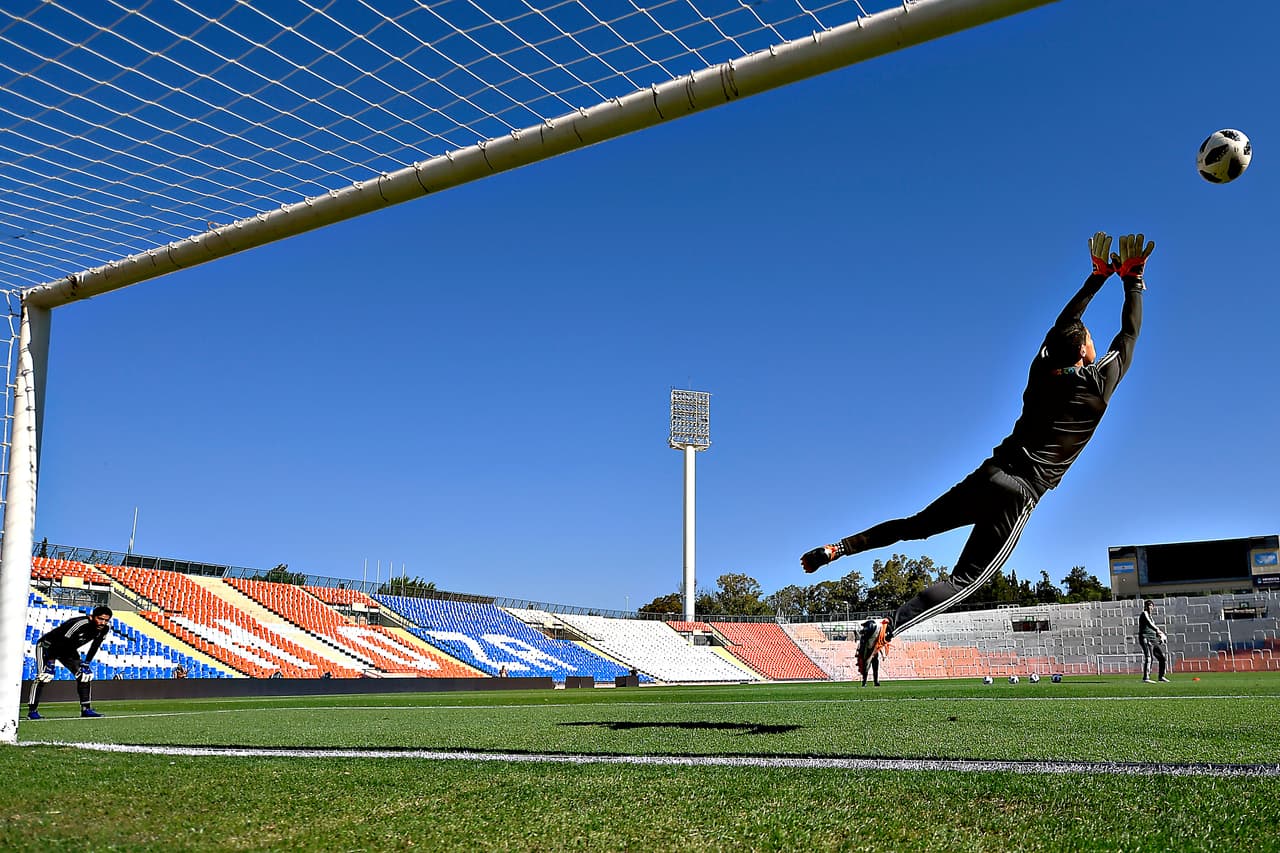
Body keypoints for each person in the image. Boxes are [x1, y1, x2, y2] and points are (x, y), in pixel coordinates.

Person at [802, 232, 1154, 665]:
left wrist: (1096, 279)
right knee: (964, 580)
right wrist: (1132, 280)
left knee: (916, 525)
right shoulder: (1098, 386)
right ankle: (889, 626)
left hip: (991, 472)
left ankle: (840, 547)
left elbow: (1061, 327)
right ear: (1084, 350)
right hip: (1020, 493)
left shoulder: (1041, 371)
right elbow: (1130, 335)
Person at [27, 605, 113, 719]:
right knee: (43, 676)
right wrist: (51, 663)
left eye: (106, 620)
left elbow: (95, 645)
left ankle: (86, 709)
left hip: (68, 650)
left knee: (84, 675)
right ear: (92, 617)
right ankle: (32, 711)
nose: (103, 622)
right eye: (100, 619)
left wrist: (86, 663)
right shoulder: (79, 624)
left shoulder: (105, 628)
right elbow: (59, 641)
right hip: (48, 646)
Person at [1138, 599, 1170, 683]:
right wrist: (1158, 631)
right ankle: (1146, 678)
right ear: (1145, 607)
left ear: (1153, 607)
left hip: (1152, 639)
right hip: (1145, 637)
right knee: (1149, 657)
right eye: (1148, 605)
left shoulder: (1151, 617)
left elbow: (1152, 628)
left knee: (1161, 658)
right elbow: (1150, 624)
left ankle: (1161, 676)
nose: (1149, 607)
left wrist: (1159, 636)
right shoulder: (1144, 614)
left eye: (1151, 605)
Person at [856, 618, 885, 687]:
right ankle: (864, 681)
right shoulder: (865, 638)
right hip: (868, 652)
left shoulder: (873, 637)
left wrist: (882, 654)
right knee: (866, 667)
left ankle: (876, 681)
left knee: (875, 667)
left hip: (874, 652)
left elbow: (878, 645)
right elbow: (861, 644)